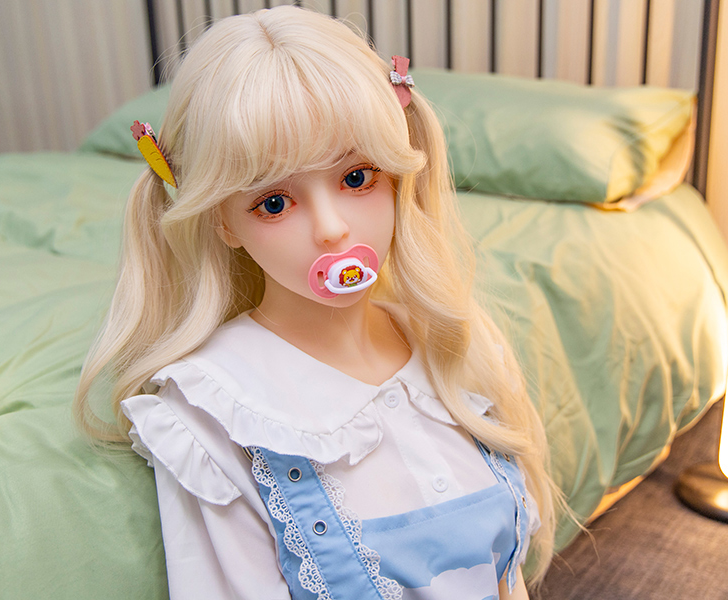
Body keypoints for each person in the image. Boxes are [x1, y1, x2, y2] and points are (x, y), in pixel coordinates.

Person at [75, 6, 558, 599]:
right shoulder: (212, 408)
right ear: (223, 222)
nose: (331, 228)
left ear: (397, 174)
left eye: (356, 178)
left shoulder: (462, 344)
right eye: (274, 203)